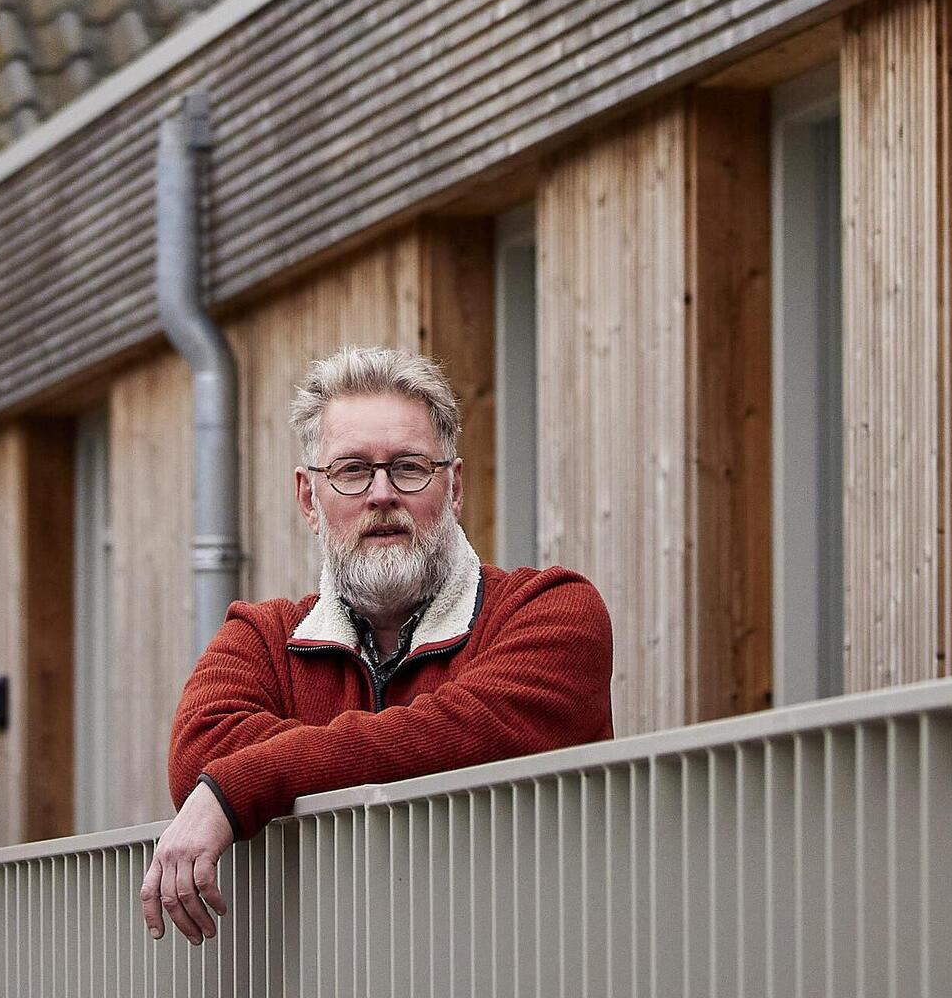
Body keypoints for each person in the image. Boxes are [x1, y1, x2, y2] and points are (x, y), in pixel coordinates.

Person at [139, 345, 613, 943]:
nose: (382, 494)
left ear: (455, 486)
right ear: (309, 498)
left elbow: (476, 734)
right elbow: (198, 757)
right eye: (352, 470)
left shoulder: (551, 612)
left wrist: (244, 782)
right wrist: (401, 745)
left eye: (410, 467)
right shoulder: (259, 640)